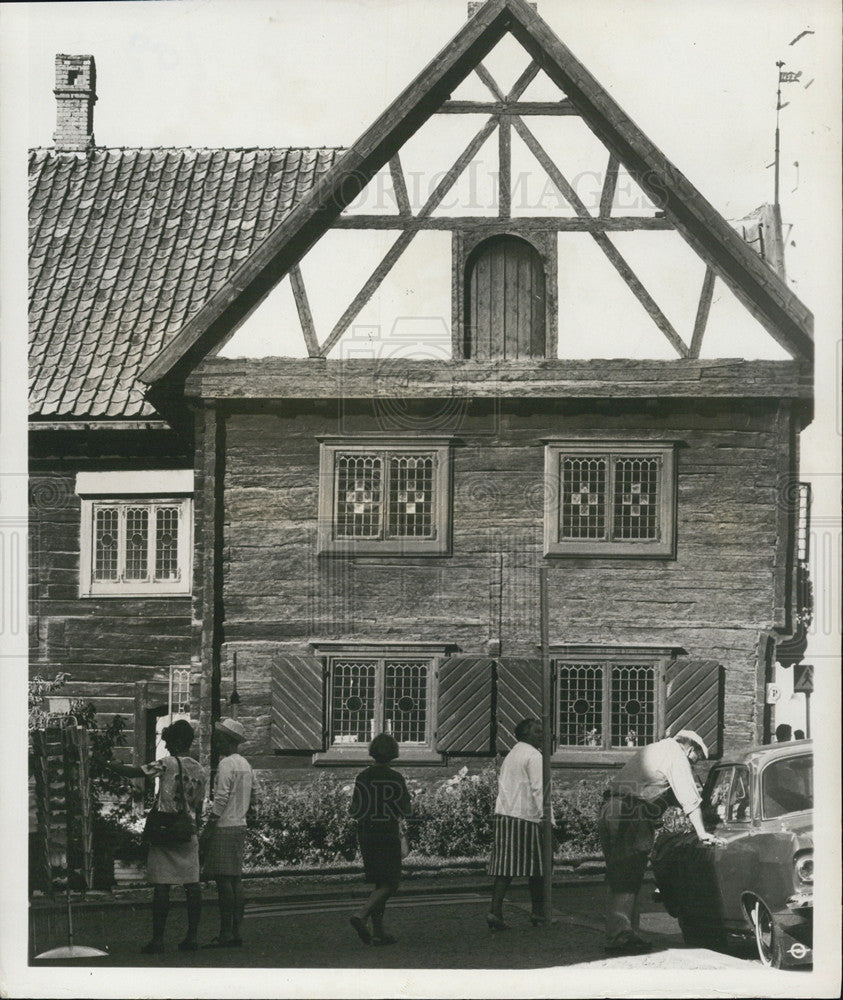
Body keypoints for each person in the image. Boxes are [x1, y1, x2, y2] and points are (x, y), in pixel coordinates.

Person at [597, 729, 723, 954]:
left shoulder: (657, 749)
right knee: (627, 874)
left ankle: (623, 932)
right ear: (691, 749)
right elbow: (689, 798)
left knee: (619, 873)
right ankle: (620, 937)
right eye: (698, 759)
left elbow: (661, 791)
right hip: (631, 812)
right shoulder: (676, 755)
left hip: (611, 808)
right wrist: (702, 832)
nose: (696, 765)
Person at [107, 718, 206, 953]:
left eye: (169, 741)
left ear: (175, 742)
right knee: (192, 885)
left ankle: (158, 939)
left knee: (162, 885)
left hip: (165, 831)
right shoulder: (200, 769)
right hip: (187, 830)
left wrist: (110, 764)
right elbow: (199, 804)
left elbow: (135, 772)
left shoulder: (167, 763)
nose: (168, 746)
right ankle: (192, 937)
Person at [348, 732, 411, 946]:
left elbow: (354, 810)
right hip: (387, 832)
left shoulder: (362, 777)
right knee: (391, 883)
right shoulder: (396, 778)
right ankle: (361, 914)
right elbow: (406, 809)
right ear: (394, 753)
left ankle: (378, 932)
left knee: (378, 882)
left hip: (366, 832)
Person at [486, 718, 547, 930]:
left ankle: (495, 911)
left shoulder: (512, 755)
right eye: (538, 732)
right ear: (526, 735)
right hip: (526, 816)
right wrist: (546, 818)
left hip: (504, 814)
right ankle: (538, 914)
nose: (542, 735)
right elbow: (539, 789)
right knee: (538, 869)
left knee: (505, 867)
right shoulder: (534, 755)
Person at [200, 717, 254, 948]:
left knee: (224, 882)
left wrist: (210, 824)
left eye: (219, 738)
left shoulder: (226, 764)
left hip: (224, 825)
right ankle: (235, 930)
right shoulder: (245, 764)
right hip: (239, 823)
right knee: (235, 880)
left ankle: (225, 932)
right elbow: (253, 795)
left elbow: (221, 797)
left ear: (227, 739)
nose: (216, 743)